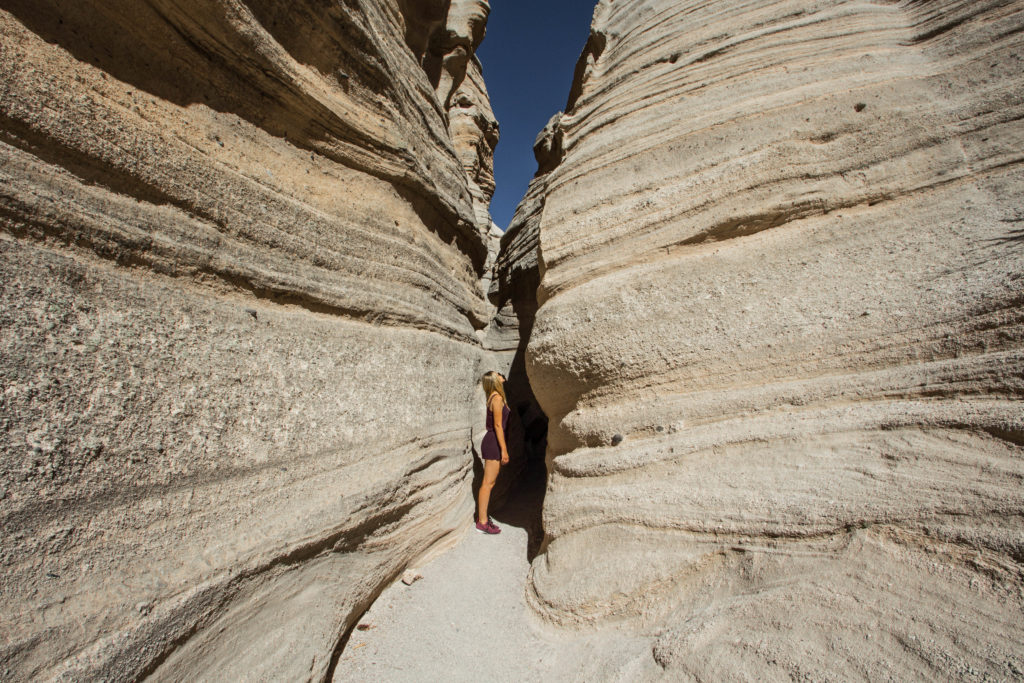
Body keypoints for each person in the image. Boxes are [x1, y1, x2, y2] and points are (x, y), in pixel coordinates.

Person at [477, 371, 510, 534]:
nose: (502, 375)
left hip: (492, 441)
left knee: (489, 483)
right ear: (495, 380)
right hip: (493, 442)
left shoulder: (493, 397)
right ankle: (482, 522)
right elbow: (498, 426)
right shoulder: (496, 398)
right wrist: (504, 450)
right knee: (487, 483)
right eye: (499, 375)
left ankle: (483, 518)